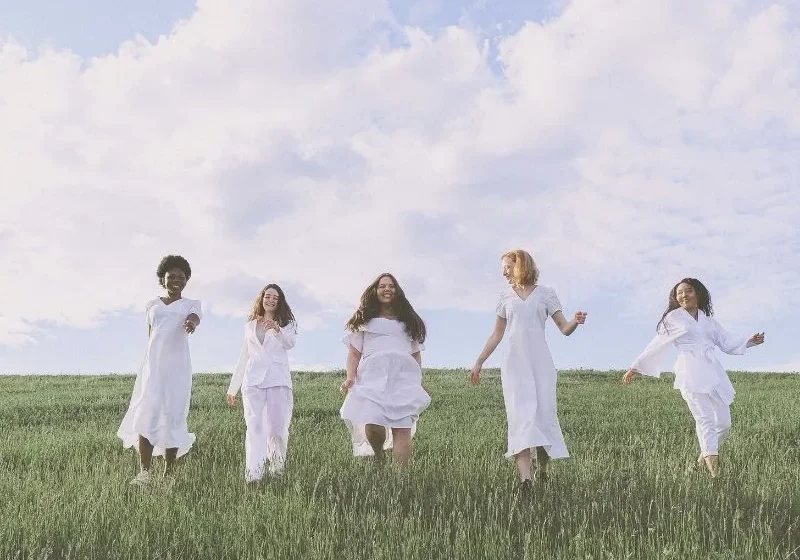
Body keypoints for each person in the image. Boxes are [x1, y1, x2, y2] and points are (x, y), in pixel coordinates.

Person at [622, 278, 765, 477]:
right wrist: (635, 367)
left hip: (713, 372)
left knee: (723, 423)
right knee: (704, 418)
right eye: (679, 293)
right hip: (690, 371)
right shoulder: (673, 318)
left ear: (698, 293)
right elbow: (657, 344)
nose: (683, 295)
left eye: (688, 291)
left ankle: (703, 457)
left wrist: (748, 342)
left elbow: (725, 340)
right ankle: (715, 474)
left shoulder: (708, 320)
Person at [470, 250, 587, 488]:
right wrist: (479, 361)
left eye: (508, 266)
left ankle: (543, 468)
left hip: (541, 364)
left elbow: (564, 328)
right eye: (502, 267)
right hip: (514, 365)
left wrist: (576, 321)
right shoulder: (504, 297)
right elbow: (497, 334)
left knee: (543, 416)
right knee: (520, 419)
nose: (504, 271)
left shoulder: (546, 294)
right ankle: (526, 481)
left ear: (521, 265)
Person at [117, 255, 202, 487]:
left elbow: (195, 318)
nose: (176, 280)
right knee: (146, 414)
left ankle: (169, 475)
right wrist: (147, 364)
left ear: (186, 281)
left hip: (177, 369)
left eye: (181, 277)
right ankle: (144, 473)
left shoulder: (191, 305)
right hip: (153, 368)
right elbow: (151, 335)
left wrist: (191, 324)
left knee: (172, 416)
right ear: (162, 280)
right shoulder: (151, 305)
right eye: (171, 276)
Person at [339, 273, 430, 466]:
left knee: (402, 427)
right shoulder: (364, 320)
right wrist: (350, 377)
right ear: (375, 290)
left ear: (397, 291)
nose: (387, 289)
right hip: (373, 375)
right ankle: (379, 455)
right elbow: (354, 353)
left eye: (391, 286)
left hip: (403, 378)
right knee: (372, 425)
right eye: (382, 286)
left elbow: (415, 355)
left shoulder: (408, 322)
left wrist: (418, 381)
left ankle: (401, 483)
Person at [226, 284, 297, 481]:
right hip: (253, 382)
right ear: (262, 298)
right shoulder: (249, 325)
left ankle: (277, 471)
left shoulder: (286, 324)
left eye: (275, 297)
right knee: (255, 428)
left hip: (277, 381)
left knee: (277, 428)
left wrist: (277, 329)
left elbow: (290, 343)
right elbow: (244, 356)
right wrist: (233, 387)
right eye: (268, 296)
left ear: (280, 301)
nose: (271, 300)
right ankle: (254, 474)